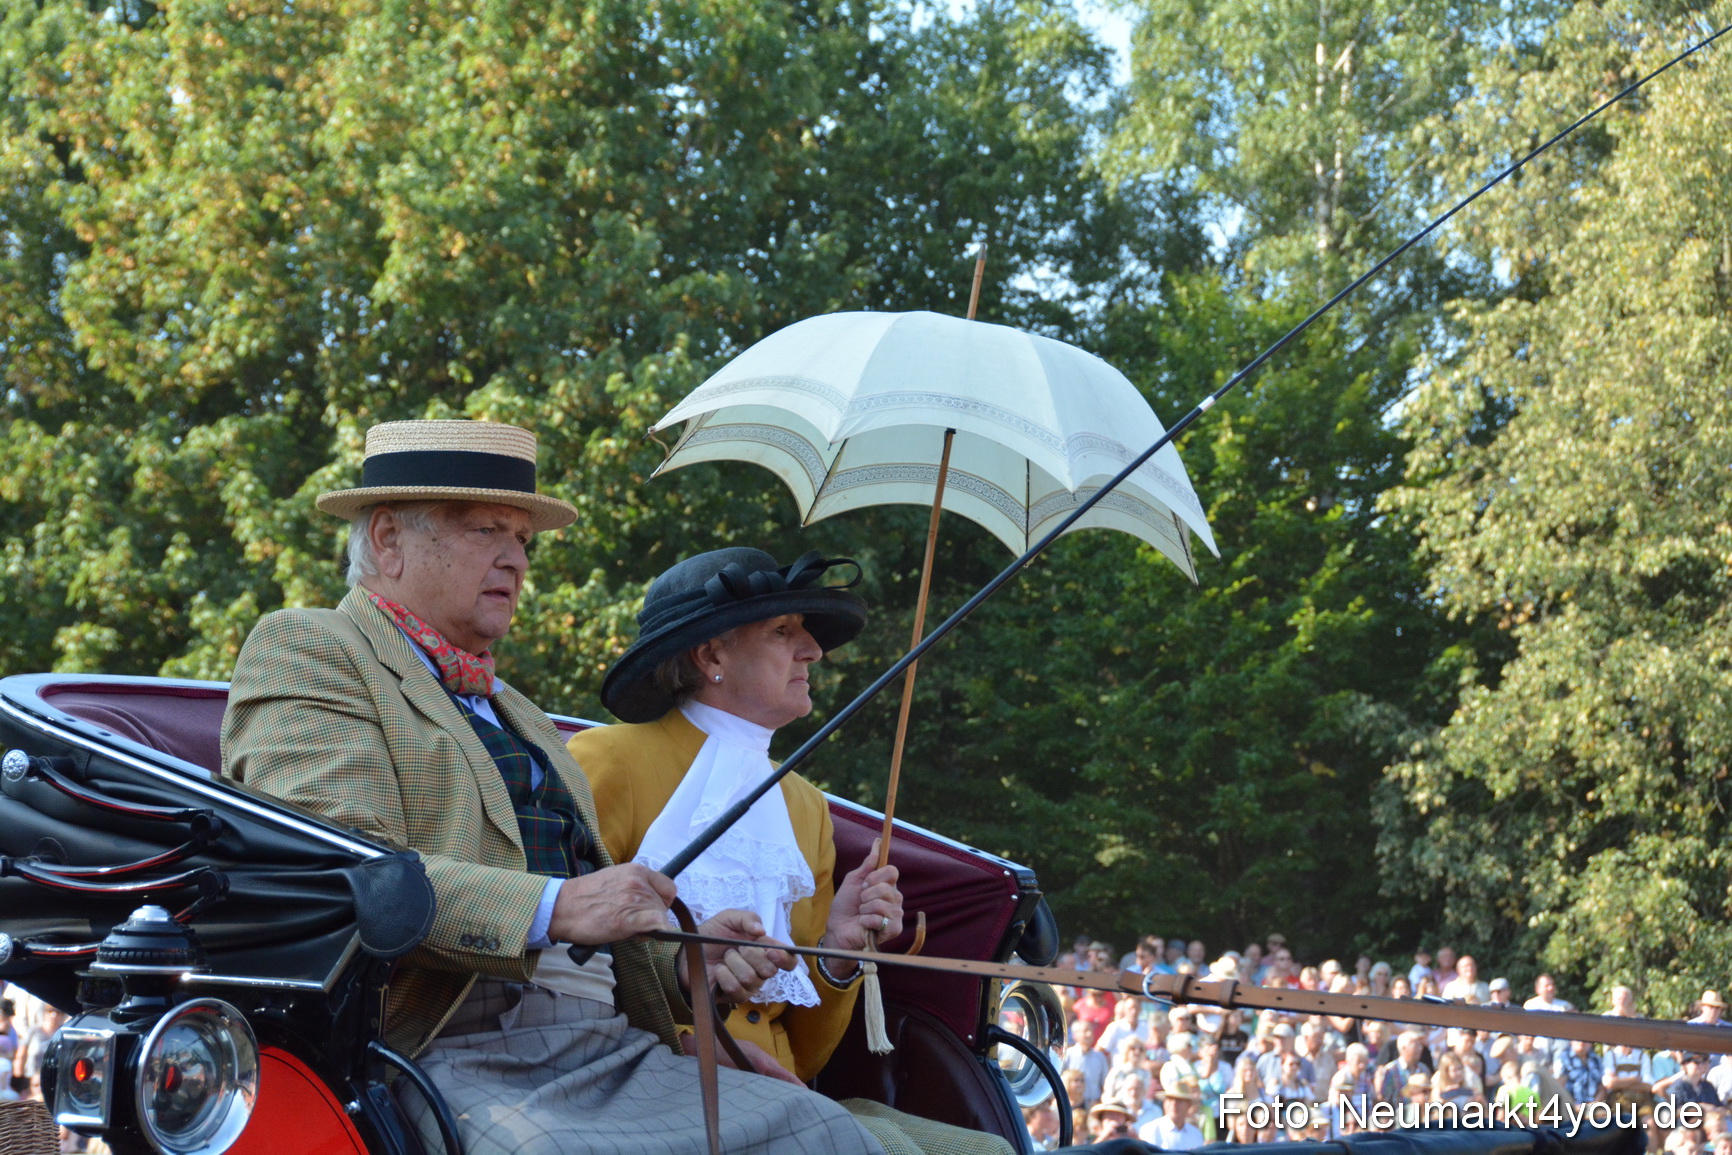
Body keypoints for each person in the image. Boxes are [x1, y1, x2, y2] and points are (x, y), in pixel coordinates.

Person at [222, 421, 884, 1155]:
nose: (515, 557)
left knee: (825, 1130)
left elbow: (595, 929)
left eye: (523, 539)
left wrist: (686, 959)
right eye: (485, 529)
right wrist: (558, 905)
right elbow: (339, 870)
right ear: (386, 538)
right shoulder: (312, 648)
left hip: (606, 1040)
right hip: (450, 1044)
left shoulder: (519, 711)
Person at [572, 544, 1015, 1155]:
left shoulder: (806, 807)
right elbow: (561, 970)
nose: (812, 650)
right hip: (654, 1084)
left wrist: (836, 945)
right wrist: (692, 1044)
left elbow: (804, 1052)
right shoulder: (605, 764)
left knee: (987, 1150)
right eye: (784, 631)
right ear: (711, 654)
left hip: (783, 1095)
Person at [1140, 1077, 1206, 1149]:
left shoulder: (1195, 1133)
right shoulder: (1150, 1130)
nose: (1174, 1104)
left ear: (1188, 1105)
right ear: (1164, 1103)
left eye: (1179, 1100)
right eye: (1170, 1100)